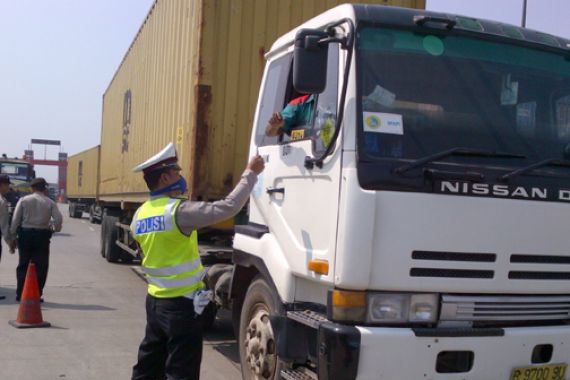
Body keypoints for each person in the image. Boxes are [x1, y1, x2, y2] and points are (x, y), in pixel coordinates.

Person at [130, 143, 264, 380]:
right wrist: (250, 173)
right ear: (164, 178)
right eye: (176, 172)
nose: (181, 177)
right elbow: (228, 207)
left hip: (154, 302)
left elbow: (144, 251)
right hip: (181, 307)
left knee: (149, 366)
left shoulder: (139, 215)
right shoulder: (178, 212)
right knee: (181, 371)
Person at [10, 177, 63, 301]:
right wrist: (56, 229)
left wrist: (13, 237)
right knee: (41, 266)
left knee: (23, 264)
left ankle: (20, 294)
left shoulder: (24, 200)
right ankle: (36, 294)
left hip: (25, 235)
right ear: (44, 189)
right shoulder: (50, 202)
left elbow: (15, 220)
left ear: (32, 188)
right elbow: (58, 219)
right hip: (42, 236)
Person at [0, 174, 17, 300]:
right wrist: (10, 242)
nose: (8, 188)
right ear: (2, 185)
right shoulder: (2, 201)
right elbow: (4, 225)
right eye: (7, 185)